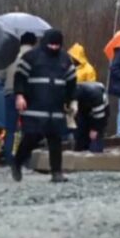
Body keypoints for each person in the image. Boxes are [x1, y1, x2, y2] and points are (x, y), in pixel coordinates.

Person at [12, 29, 77, 183]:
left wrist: (72, 101)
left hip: (56, 107)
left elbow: (72, 83)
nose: (54, 48)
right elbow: (19, 77)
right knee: (31, 137)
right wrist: (19, 95)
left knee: (55, 139)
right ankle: (17, 162)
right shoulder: (31, 57)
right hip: (35, 106)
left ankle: (56, 172)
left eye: (57, 45)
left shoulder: (65, 59)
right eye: (51, 45)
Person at [3, 32, 38, 162]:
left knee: (10, 129)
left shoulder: (11, 56)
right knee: (28, 128)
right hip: (29, 96)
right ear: (34, 43)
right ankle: (25, 158)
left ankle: (8, 158)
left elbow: (1, 75)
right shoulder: (36, 57)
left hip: (10, 93)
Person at [74, 81, 109, 153]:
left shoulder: (95, 94)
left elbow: (100, 116)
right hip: (84, 110)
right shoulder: (72, 93)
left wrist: (95, 129)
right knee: (80, 135)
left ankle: (96, 155)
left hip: (101, 113)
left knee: (95, 137)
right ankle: (80, 152)